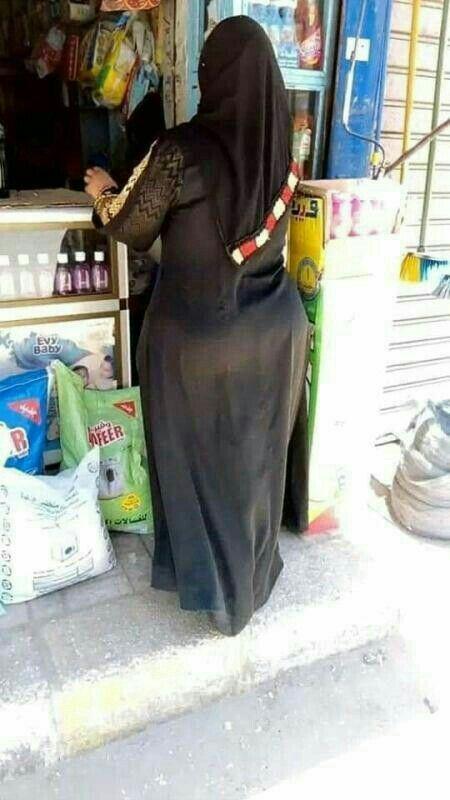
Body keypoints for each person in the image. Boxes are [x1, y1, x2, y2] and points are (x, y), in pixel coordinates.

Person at [84, 16, 310, 637]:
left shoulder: (180, 152)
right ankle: (251, 579)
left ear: (213, 78)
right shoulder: (281, 154)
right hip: (276, 334)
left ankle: (218, 592)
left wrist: (102, 191)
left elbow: (130, 224)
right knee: (252, 464)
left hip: (199, 341)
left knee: (199, 468)